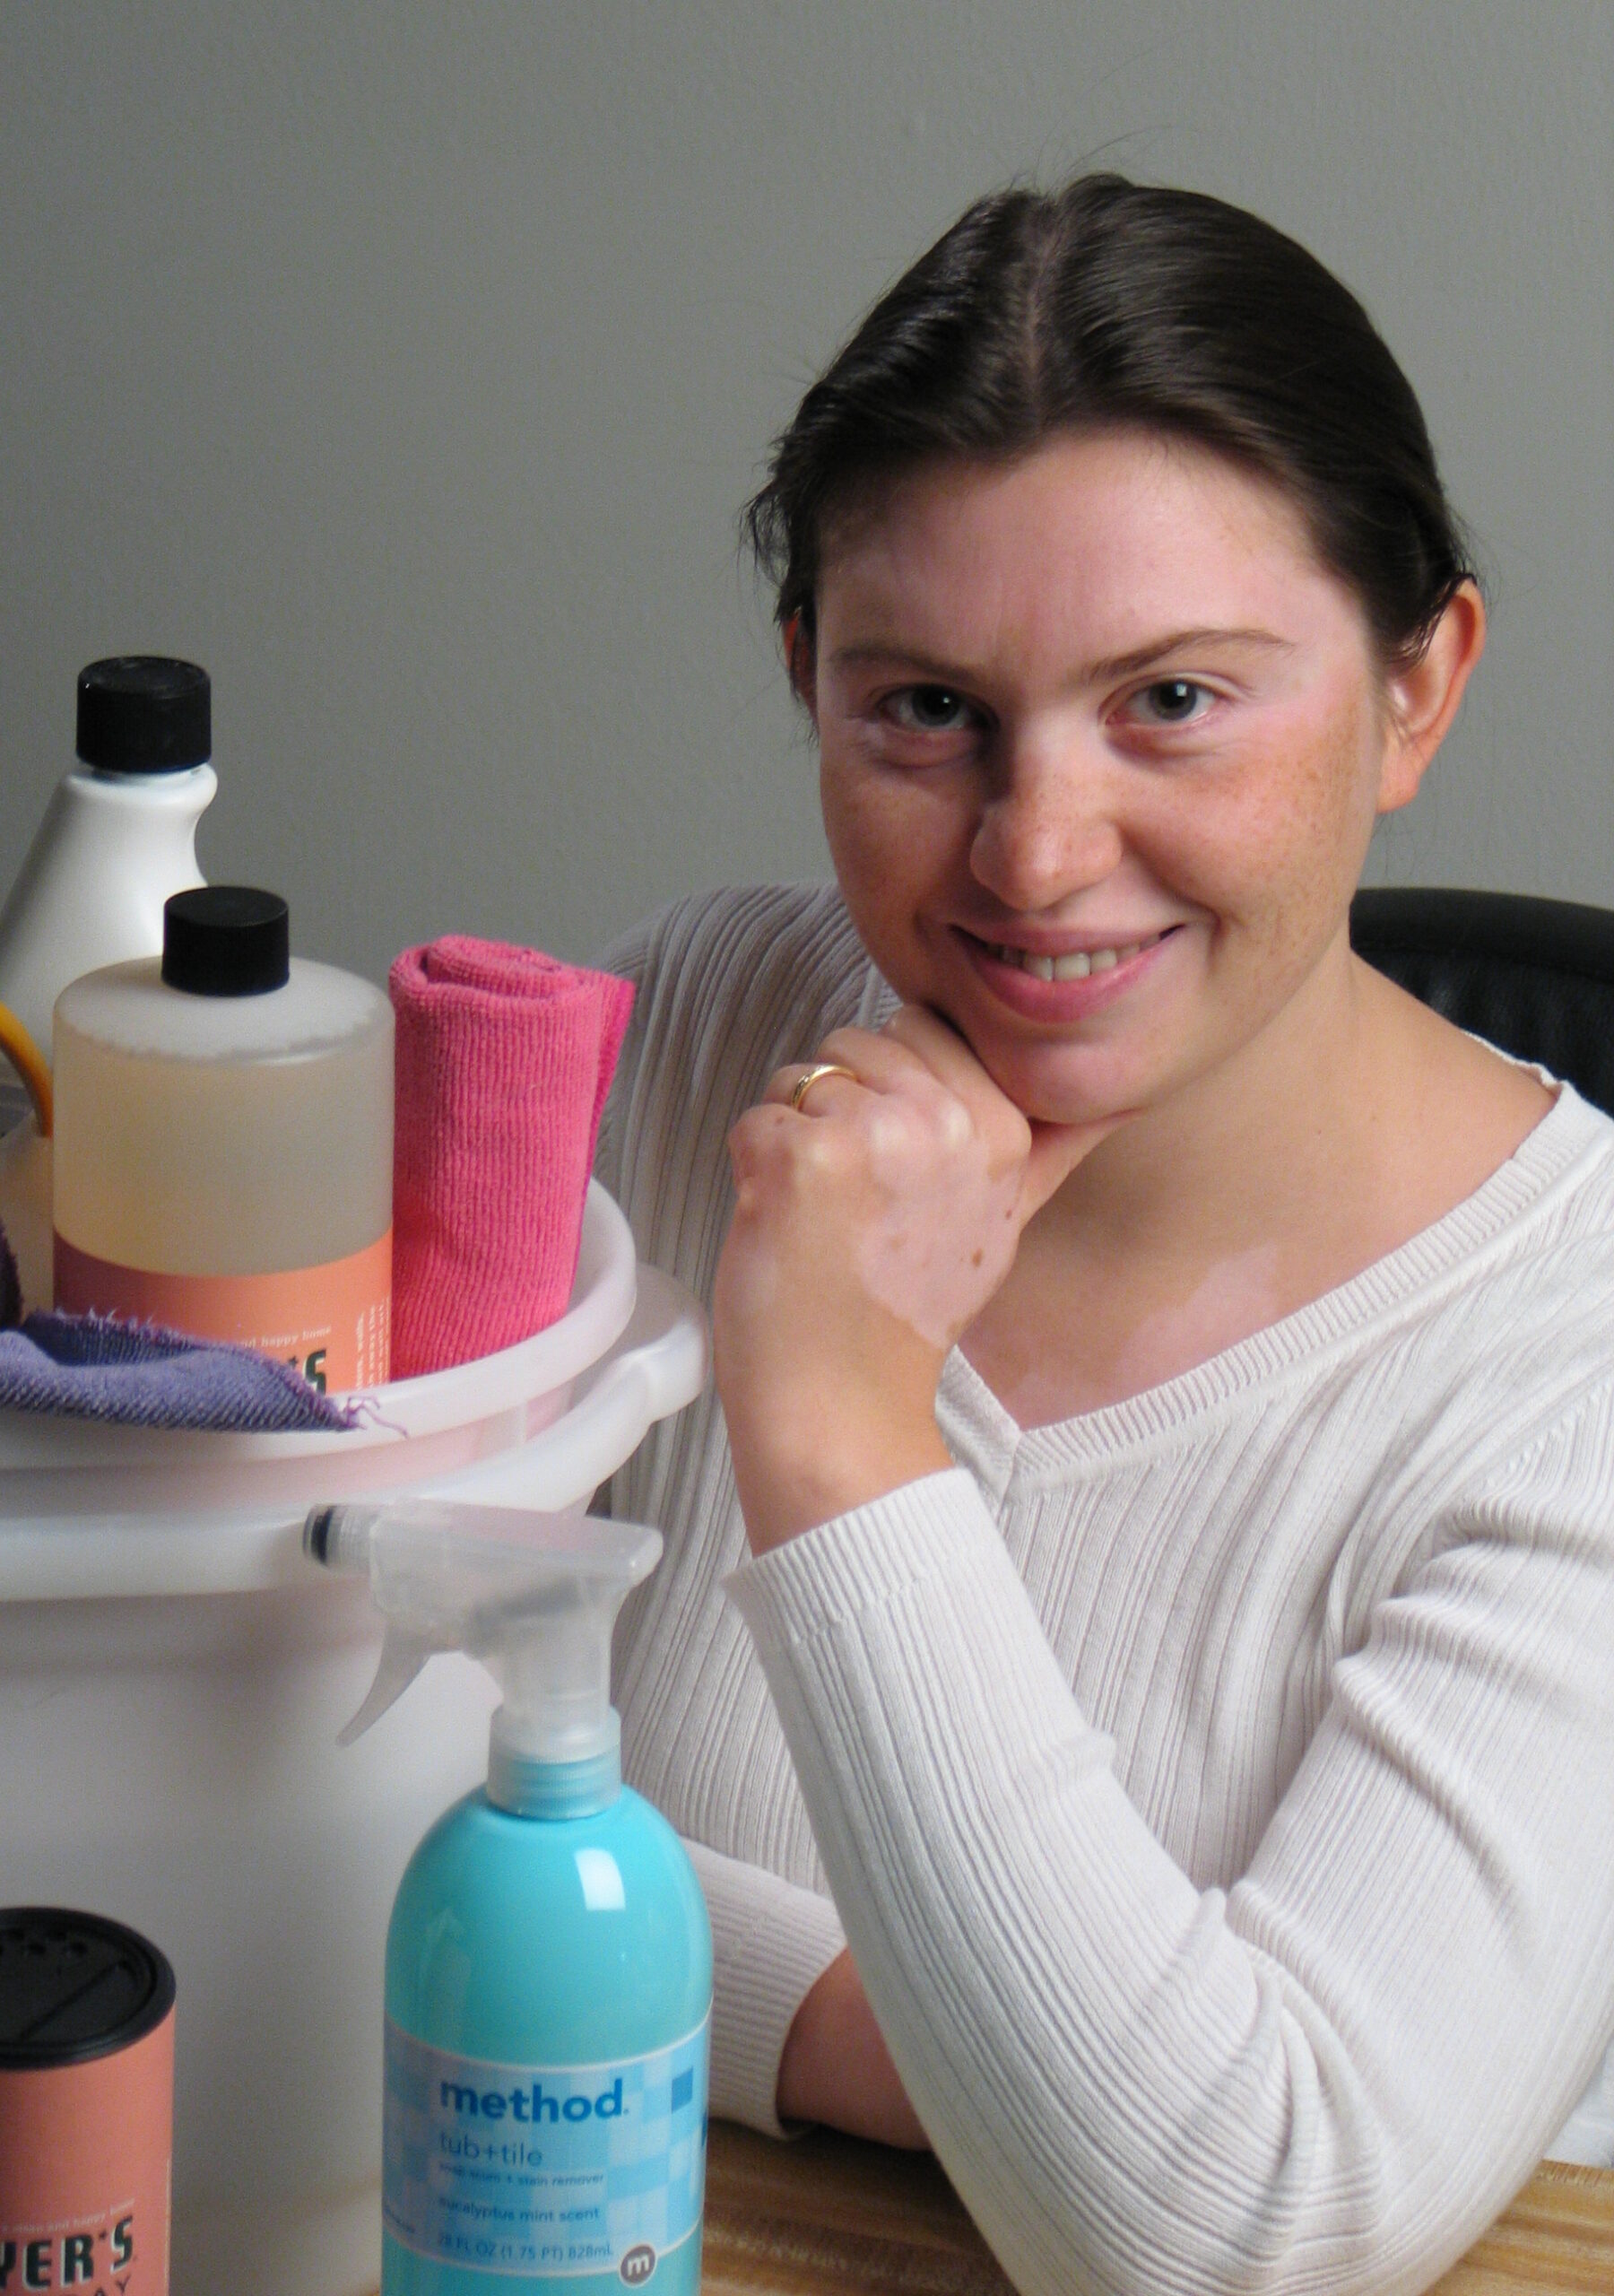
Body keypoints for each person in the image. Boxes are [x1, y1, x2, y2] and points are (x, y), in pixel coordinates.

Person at [592, 176, 1614, 2294]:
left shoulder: (1580, 1359)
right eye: (926, 711)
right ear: (808, 680)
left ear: (1420, 689)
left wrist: (840, 1417)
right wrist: (929, 2042)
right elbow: (277, 1763)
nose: (1038, 857)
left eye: (1174, 702)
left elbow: (1248, 2219)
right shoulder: (692, 1025)